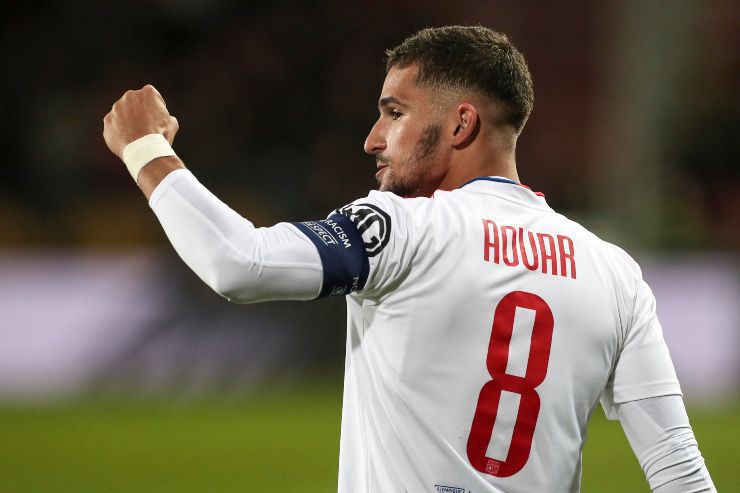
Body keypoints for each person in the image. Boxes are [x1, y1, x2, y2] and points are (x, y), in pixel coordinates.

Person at [103, 26, 716, 493]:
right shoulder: (614, 272)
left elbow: (239, 262)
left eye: (394, 112)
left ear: (461, 124)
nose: (373, 138)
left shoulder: (407, 227)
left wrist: (145, 149)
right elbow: (679, 471)